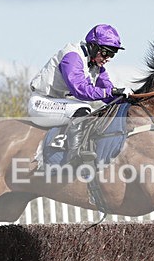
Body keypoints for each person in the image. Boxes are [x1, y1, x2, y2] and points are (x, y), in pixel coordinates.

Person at [28, 24, 126, 164]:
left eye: (112, 54)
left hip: (58, 104)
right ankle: (74, 157)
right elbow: (80, 90)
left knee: (96, 112)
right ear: (93, 46)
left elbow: (109, 93)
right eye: (105, 53)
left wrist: (129, 98)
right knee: (83, 109)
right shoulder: (72, 56)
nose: (108, 58)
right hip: (41, 103)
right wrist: (110, 92)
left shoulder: (97, 66)